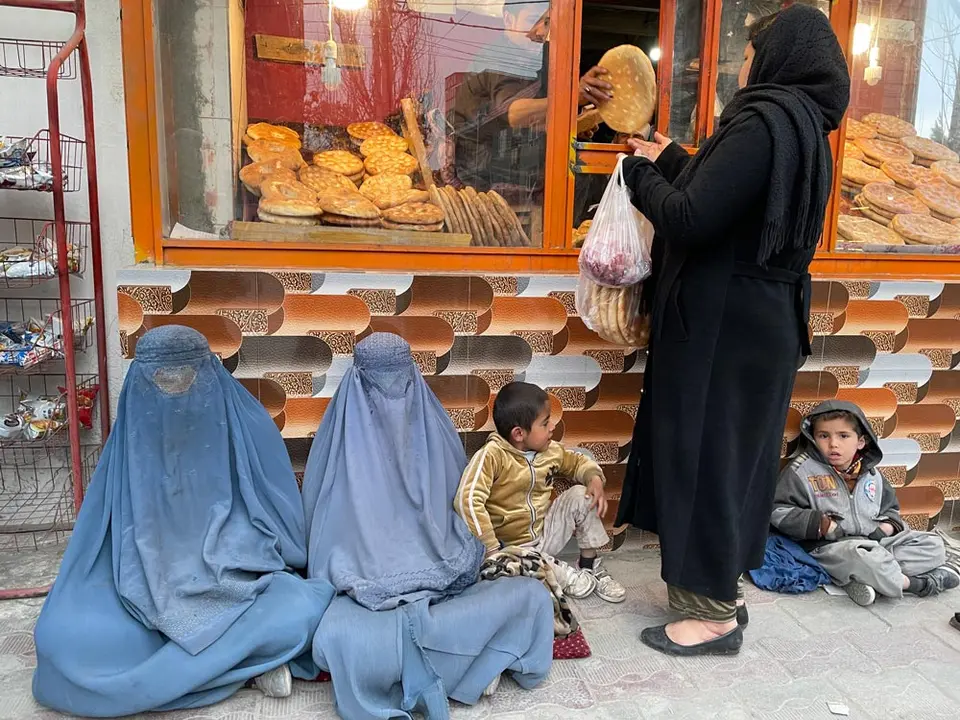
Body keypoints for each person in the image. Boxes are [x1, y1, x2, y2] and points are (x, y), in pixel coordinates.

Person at [614, 5, 850, 656]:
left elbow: (690, 218)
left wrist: (639, 177)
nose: (741, 64)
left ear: (777, 57)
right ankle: (726, 592)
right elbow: (730, 198)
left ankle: (710, 616)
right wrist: (674, 157)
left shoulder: (761, 120)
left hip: (724, 327)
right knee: (736, 464)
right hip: (761, 323)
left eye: (750, 51)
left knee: (707, 463)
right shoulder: (802, 127)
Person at [32, 326, 326, 716]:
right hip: (132, 592)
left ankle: (222, 666)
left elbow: (287, 536)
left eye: (187, 378)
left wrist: (238, 553)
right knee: (63, 639)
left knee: (305, 609)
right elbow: (97, 546)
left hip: (236, 584)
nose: (174, 396)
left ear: (210, 374)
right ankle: (244, 666)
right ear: (139, 384)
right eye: (160, 381)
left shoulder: (246, 426)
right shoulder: (129, 443)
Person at [302, 334, 553, 715]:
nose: (392, 401)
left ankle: (460, 662)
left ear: (414, 378)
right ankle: (474, 662)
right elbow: (324, 557)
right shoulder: (340, 450)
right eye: (378, 387)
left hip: (444, 578)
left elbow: (463, 521)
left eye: (399, 383)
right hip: (368, 602)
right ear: (357, 384)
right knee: (337, 636)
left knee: (531, 596)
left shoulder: (434, 435)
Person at [772, 400, 960, 606]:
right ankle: (917, 584)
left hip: (874, 542)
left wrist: (885, 529)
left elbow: (891, 510)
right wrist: (822, 524)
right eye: (823, 436)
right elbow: (778, 511)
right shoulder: (801, 471)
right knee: (861, 559)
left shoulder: (872, 474)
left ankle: (867, 578)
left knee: (933, 545)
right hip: (830, 548)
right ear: (813, 438)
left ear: (860, 441)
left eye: (843, 436)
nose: (833, 444)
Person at [455, 381, 626, 604]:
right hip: (510, 549)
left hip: (544, 535)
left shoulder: (550, 451)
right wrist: (492, 549)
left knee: (581, 494)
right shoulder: (492, 456)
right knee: (557, 579)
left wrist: (593, 477)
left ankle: (589, 565)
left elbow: (576, 463)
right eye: (545, 424)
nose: (553, 427)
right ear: (519, 433)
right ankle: (558, 574)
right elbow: (466, 500)